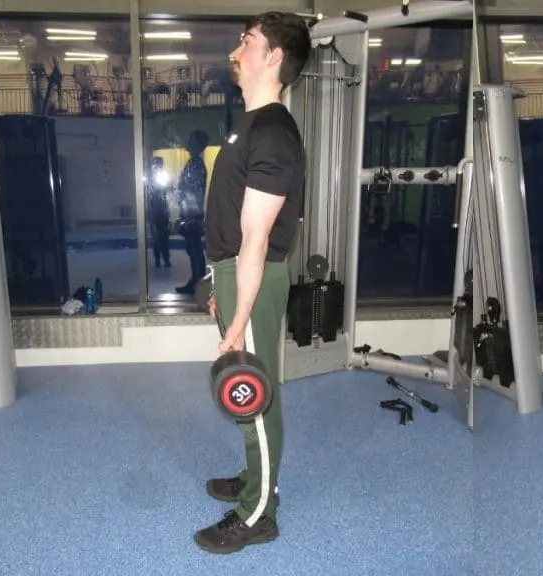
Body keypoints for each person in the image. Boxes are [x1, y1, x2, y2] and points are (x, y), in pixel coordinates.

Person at [192, 11, 311, 554]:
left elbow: (257, 237)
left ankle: (258, 513)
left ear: (275, 56)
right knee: (250, 391)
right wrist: (219, 281)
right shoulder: (251, 124)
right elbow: (233, 229)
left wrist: (239, 320)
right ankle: (255, 478)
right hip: (237, 272)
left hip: (254, 276)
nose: (236, 50)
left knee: (252, 396)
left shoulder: (273, 132)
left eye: (248, 41)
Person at [174, 130, 211, 295]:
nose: (187, 142)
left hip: (192, 214)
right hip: (192, 212)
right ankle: (196, 281)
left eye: (190, 139)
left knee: (194, 250)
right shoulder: (195, 164)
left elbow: (190, 191)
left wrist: (178, 194)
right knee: (194, 250)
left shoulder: (195, 165)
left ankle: (197, 283)